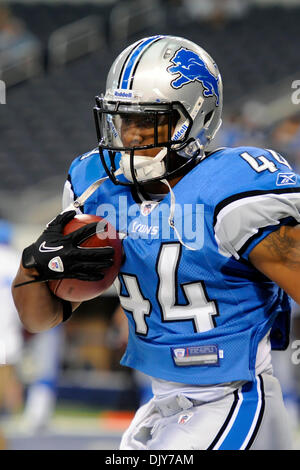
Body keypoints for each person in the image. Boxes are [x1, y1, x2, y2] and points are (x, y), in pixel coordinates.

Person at [12, 35, 300, 450]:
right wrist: (34, 266)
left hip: (233, 399)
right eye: (122, 119)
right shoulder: (95, 187)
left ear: (194, 119)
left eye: (147, 120)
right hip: (162, 404)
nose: (129, 135)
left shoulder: (230, 188)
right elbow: (39, 319)